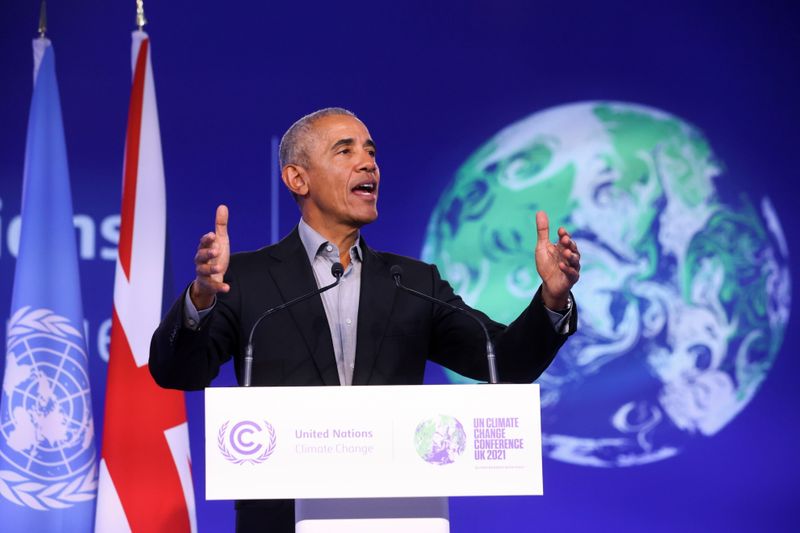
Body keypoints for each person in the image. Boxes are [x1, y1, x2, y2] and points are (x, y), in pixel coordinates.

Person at [149, 107, 581, 532]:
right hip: (281, 520)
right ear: (298, 179)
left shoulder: (413, 281)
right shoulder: (246, 278)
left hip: (397, 515)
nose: (368, 163)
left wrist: (552, 298)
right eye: (345, 151)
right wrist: (201, 297)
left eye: (371, 152)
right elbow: (179, 372)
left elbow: (506, 363)